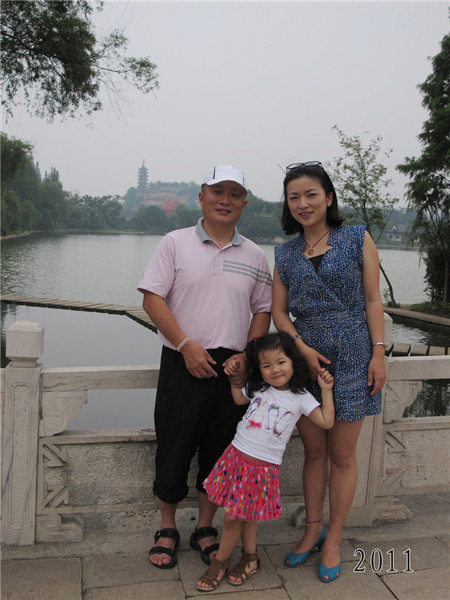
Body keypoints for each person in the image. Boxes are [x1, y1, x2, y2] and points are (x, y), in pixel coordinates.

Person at [137, 165, 272, 569]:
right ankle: (167, 526)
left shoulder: (254, 254)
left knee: (221, 450)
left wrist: (247, 357)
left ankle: (206, 526)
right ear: (201, 196)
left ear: (244, 204)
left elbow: (262, 310)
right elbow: (152, 299)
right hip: (183, 359)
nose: (225, 199)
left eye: (234, 193)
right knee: (174, 445)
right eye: (218, 191)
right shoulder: (174, 243)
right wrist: (184, 345)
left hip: (232, 368)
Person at [272, 161, 386, 583]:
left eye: (311, 194)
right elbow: (278, 313)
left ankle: (335, 536)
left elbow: (374, 300)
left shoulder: (356, 238)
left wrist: (379, 352)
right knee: (315, 451)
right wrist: (300, 349)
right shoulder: (284, 253)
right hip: (307, 358)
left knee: (341, 453)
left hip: (355, 350)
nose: (303, 204)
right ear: (287, 204)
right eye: (294, 197)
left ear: (329, 197)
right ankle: (312, 531)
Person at [195, 331, 335, 592]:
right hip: (236, 457)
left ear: (294, 362)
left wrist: (326, 390)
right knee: (245, 515)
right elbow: (238, 398)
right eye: (267, 365)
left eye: (281, 362)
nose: (275, 370)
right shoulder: (260, 387)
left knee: (232, 518)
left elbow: (327, 421)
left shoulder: (301, 397)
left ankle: (221, 562)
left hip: (261, 468)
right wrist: (233, 376)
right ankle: (250, 558)